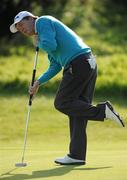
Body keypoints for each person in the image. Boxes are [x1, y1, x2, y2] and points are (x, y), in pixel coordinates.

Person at [10, 11, 125, 166]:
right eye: (18, 28)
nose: (21, 29)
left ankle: (103, 111)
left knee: (62, 102)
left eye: (21, 25)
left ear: (31, 18)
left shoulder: (42, 22)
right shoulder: (44, 33)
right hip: (87, 63)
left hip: (78, 63)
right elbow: (55, 64)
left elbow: (50, 45)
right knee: (77, 110)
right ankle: (77, 155)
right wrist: (38, 82)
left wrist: (38, 41)